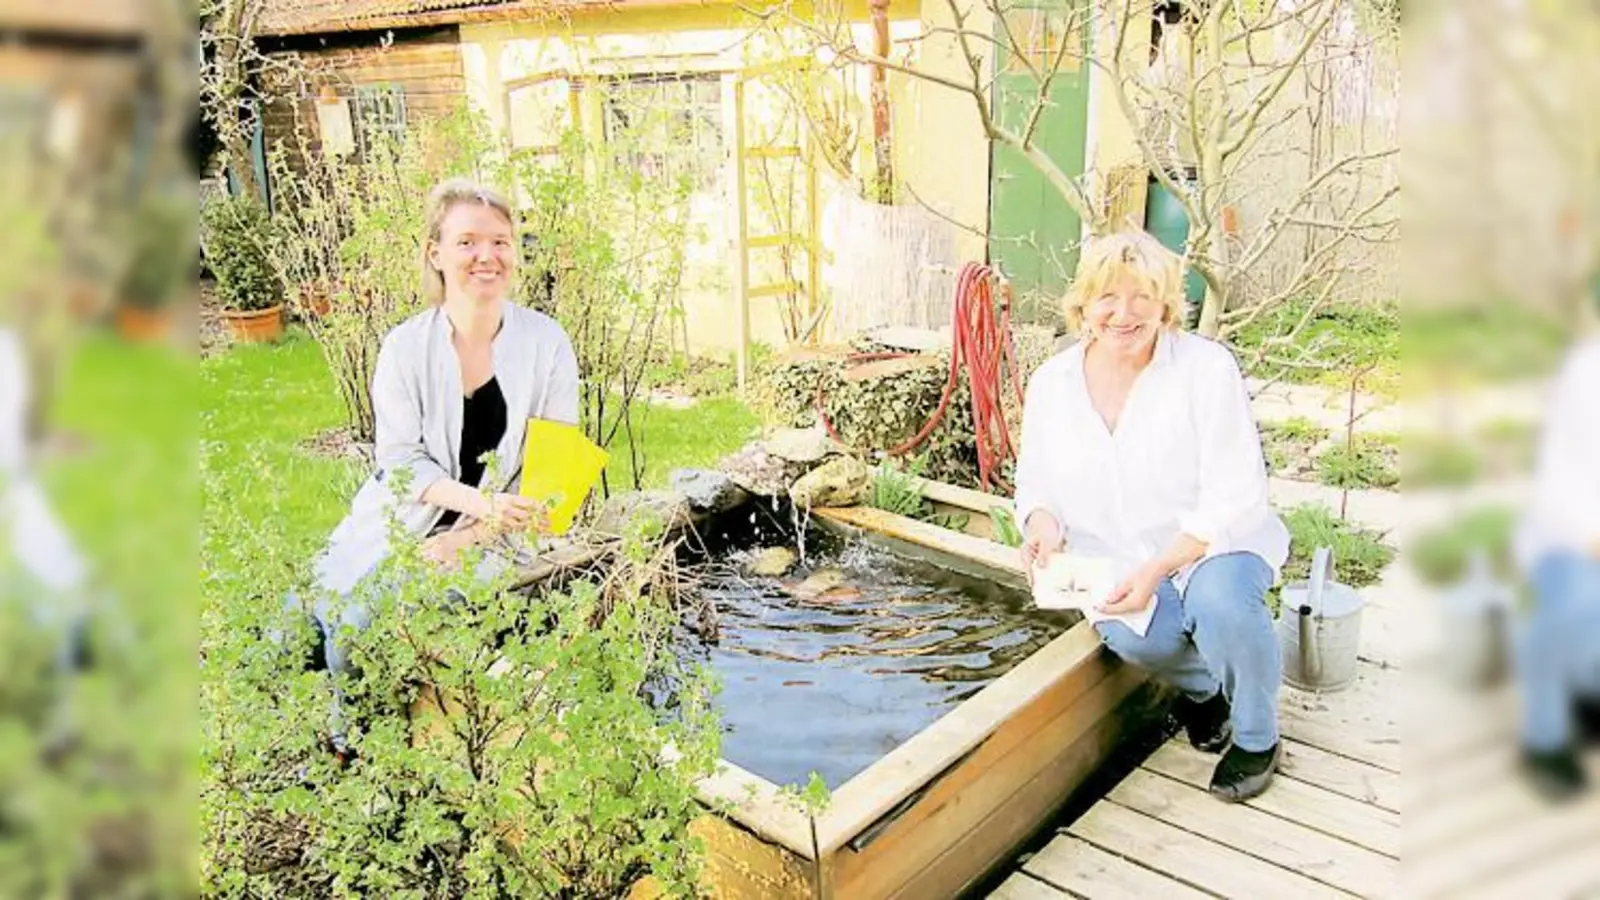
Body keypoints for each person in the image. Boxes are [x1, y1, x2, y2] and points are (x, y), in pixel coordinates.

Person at [1012, 229, 1290, 802]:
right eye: (1107, 297)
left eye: (1143, 297)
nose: (1124, 314)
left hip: (1213, 542)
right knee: (1136, 636)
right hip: (1115, 550)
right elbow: (1036, 481)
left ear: (1166, 305)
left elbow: (1236, 491)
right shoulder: (1053, 384)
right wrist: (1041, 523)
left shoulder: (1205, 369)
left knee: (1220, 606)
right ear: (1082, 305)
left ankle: (1258, 738)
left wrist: (1162, 567)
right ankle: (1204, 691)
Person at [299, 178, 580, 688]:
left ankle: (356, 746)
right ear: (435, 253)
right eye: (467, 242)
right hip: (402, 519)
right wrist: (479, 504)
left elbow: (553, 477)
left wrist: (472, 535)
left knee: (358, 633)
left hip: (497, 540)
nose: (486, 256)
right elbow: (401, 461)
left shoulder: (548, 344)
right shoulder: (405, 347)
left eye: (499, 241)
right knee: (295, 625)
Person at [1513, 332, 1600, 800]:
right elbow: (1564, 479)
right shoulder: (1587, 373)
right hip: (1570, 534)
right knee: (1569, 600)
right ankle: (1543, 739)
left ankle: (1588, 693)